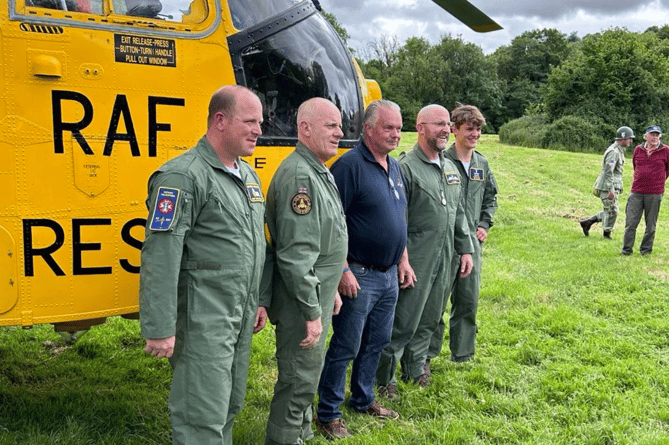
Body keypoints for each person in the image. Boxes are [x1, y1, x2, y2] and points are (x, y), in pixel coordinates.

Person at [139, 85, 268, 445]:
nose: (259, 129)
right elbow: (160, 254)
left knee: (228, 405)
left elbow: (255, 245)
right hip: (203, 320)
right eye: (250, 121)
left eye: (260, 121)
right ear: (220, 120)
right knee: (201, 416)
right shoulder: (183, 177)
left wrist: (259, 299)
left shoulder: (248, 175)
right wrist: (160, 326)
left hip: (238, 315)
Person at [315, 100, 412, 439]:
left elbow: (399, 218)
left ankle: (363, 398)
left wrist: (402, 259)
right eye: (389, 128)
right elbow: (332, 222)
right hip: (359, 273)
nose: (396, 134)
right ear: (369, 129)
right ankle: (327, 412)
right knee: (346, 344)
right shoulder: (349, 166)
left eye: (399, 128)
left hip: (388, 275)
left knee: (378, 340)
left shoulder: (395, 167)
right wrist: (342, 269)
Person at [262, 98, 349, 445]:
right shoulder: (300, 175)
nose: (339, 132)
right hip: (302, 301)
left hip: (317, 293)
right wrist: (313, 310)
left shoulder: (317, 167)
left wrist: (331, 292)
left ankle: (301, 434)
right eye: (331, 126)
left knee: (307, 376)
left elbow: (324, 240)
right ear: (305, 129)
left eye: (339, 125)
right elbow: (297, 256)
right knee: (298, 381)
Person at [375, 105, 473, 397]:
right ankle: (384, 377)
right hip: (416, 257)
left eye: (447, 124)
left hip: (445, 257)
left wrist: (465, 249)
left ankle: (416, 367)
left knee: (431, 317)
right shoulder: (404, 168)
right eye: (438, 124)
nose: (446, 129)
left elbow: (458, 213)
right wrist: (402, 259)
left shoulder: (451, 168)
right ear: (420, 128)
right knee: (403, 319)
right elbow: (396, 220)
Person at [428, 104, 498, 364]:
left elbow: (491, 197)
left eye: (478, 129)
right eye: (469, 129)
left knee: (468, 301)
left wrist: (484, 223)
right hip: (445, 244)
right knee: (437, 303)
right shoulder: (442, 162)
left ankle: (463, 354)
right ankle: (427, 355)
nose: (475, 134)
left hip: (473, 245)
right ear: (455, 129)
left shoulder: (481, 163)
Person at [621, 124, 669, 255]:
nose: (655, 137)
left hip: (654, 193)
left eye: (657, 135)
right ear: (646, 136)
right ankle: (626, 250)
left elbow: (667, 169)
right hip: (636, 191)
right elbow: (635, 165)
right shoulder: (638, 149)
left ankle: (646, 251)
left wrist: (658, 181)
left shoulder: (666, 150)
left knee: (650, 225)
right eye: (652, 134)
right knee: (631, 222)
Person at [579, 126, 635, 239]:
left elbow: (616, 172)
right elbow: (609, 171)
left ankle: (588, 222)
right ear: (623, 138)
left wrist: (617, 186)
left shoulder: (619, 150)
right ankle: (606, 234)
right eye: (629, 138)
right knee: (612, 211)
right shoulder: (614, 152)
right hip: (607, 187)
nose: (631, 141)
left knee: (610, 210)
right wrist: (610, 189)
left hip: (612, 186)